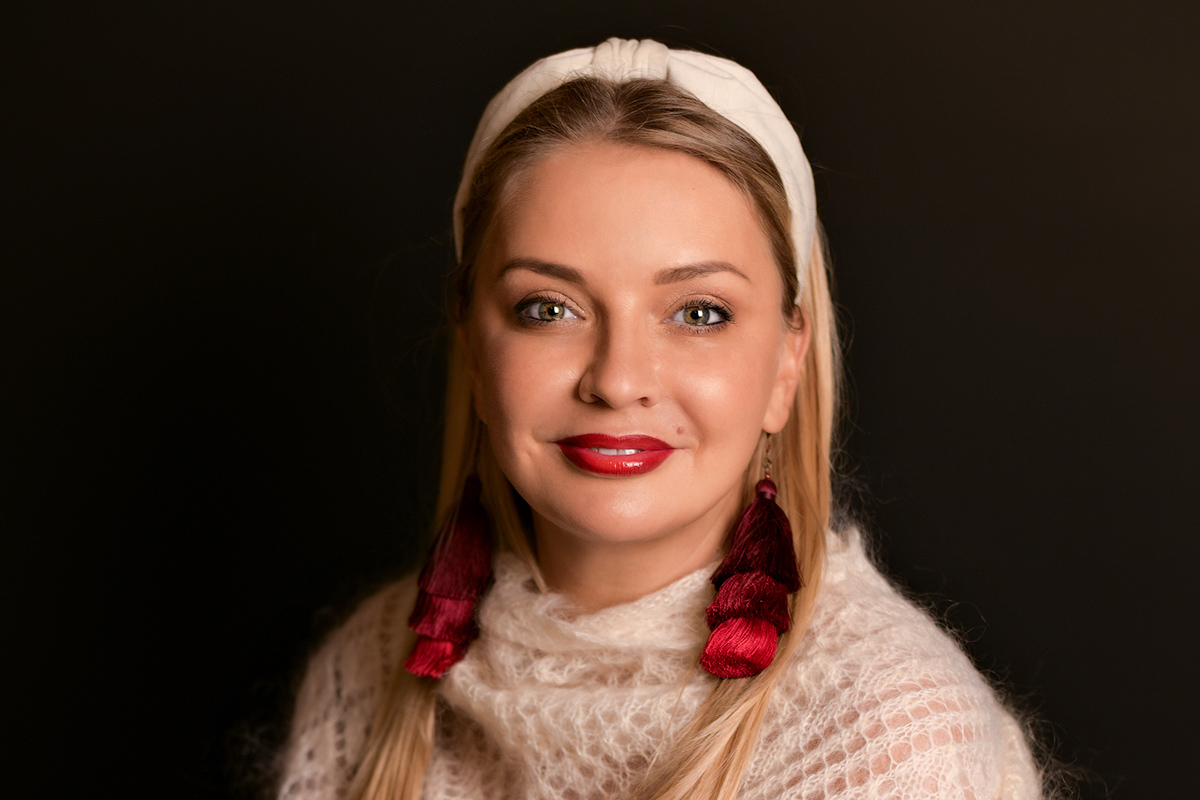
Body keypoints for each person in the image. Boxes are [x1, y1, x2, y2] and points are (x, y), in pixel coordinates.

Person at [276, 38, 1044, 800]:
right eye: (548, 308)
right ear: (474, 352)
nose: (617, 382)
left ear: (787, 362)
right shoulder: (363, 671)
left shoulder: (893, 738)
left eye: (698, 312)